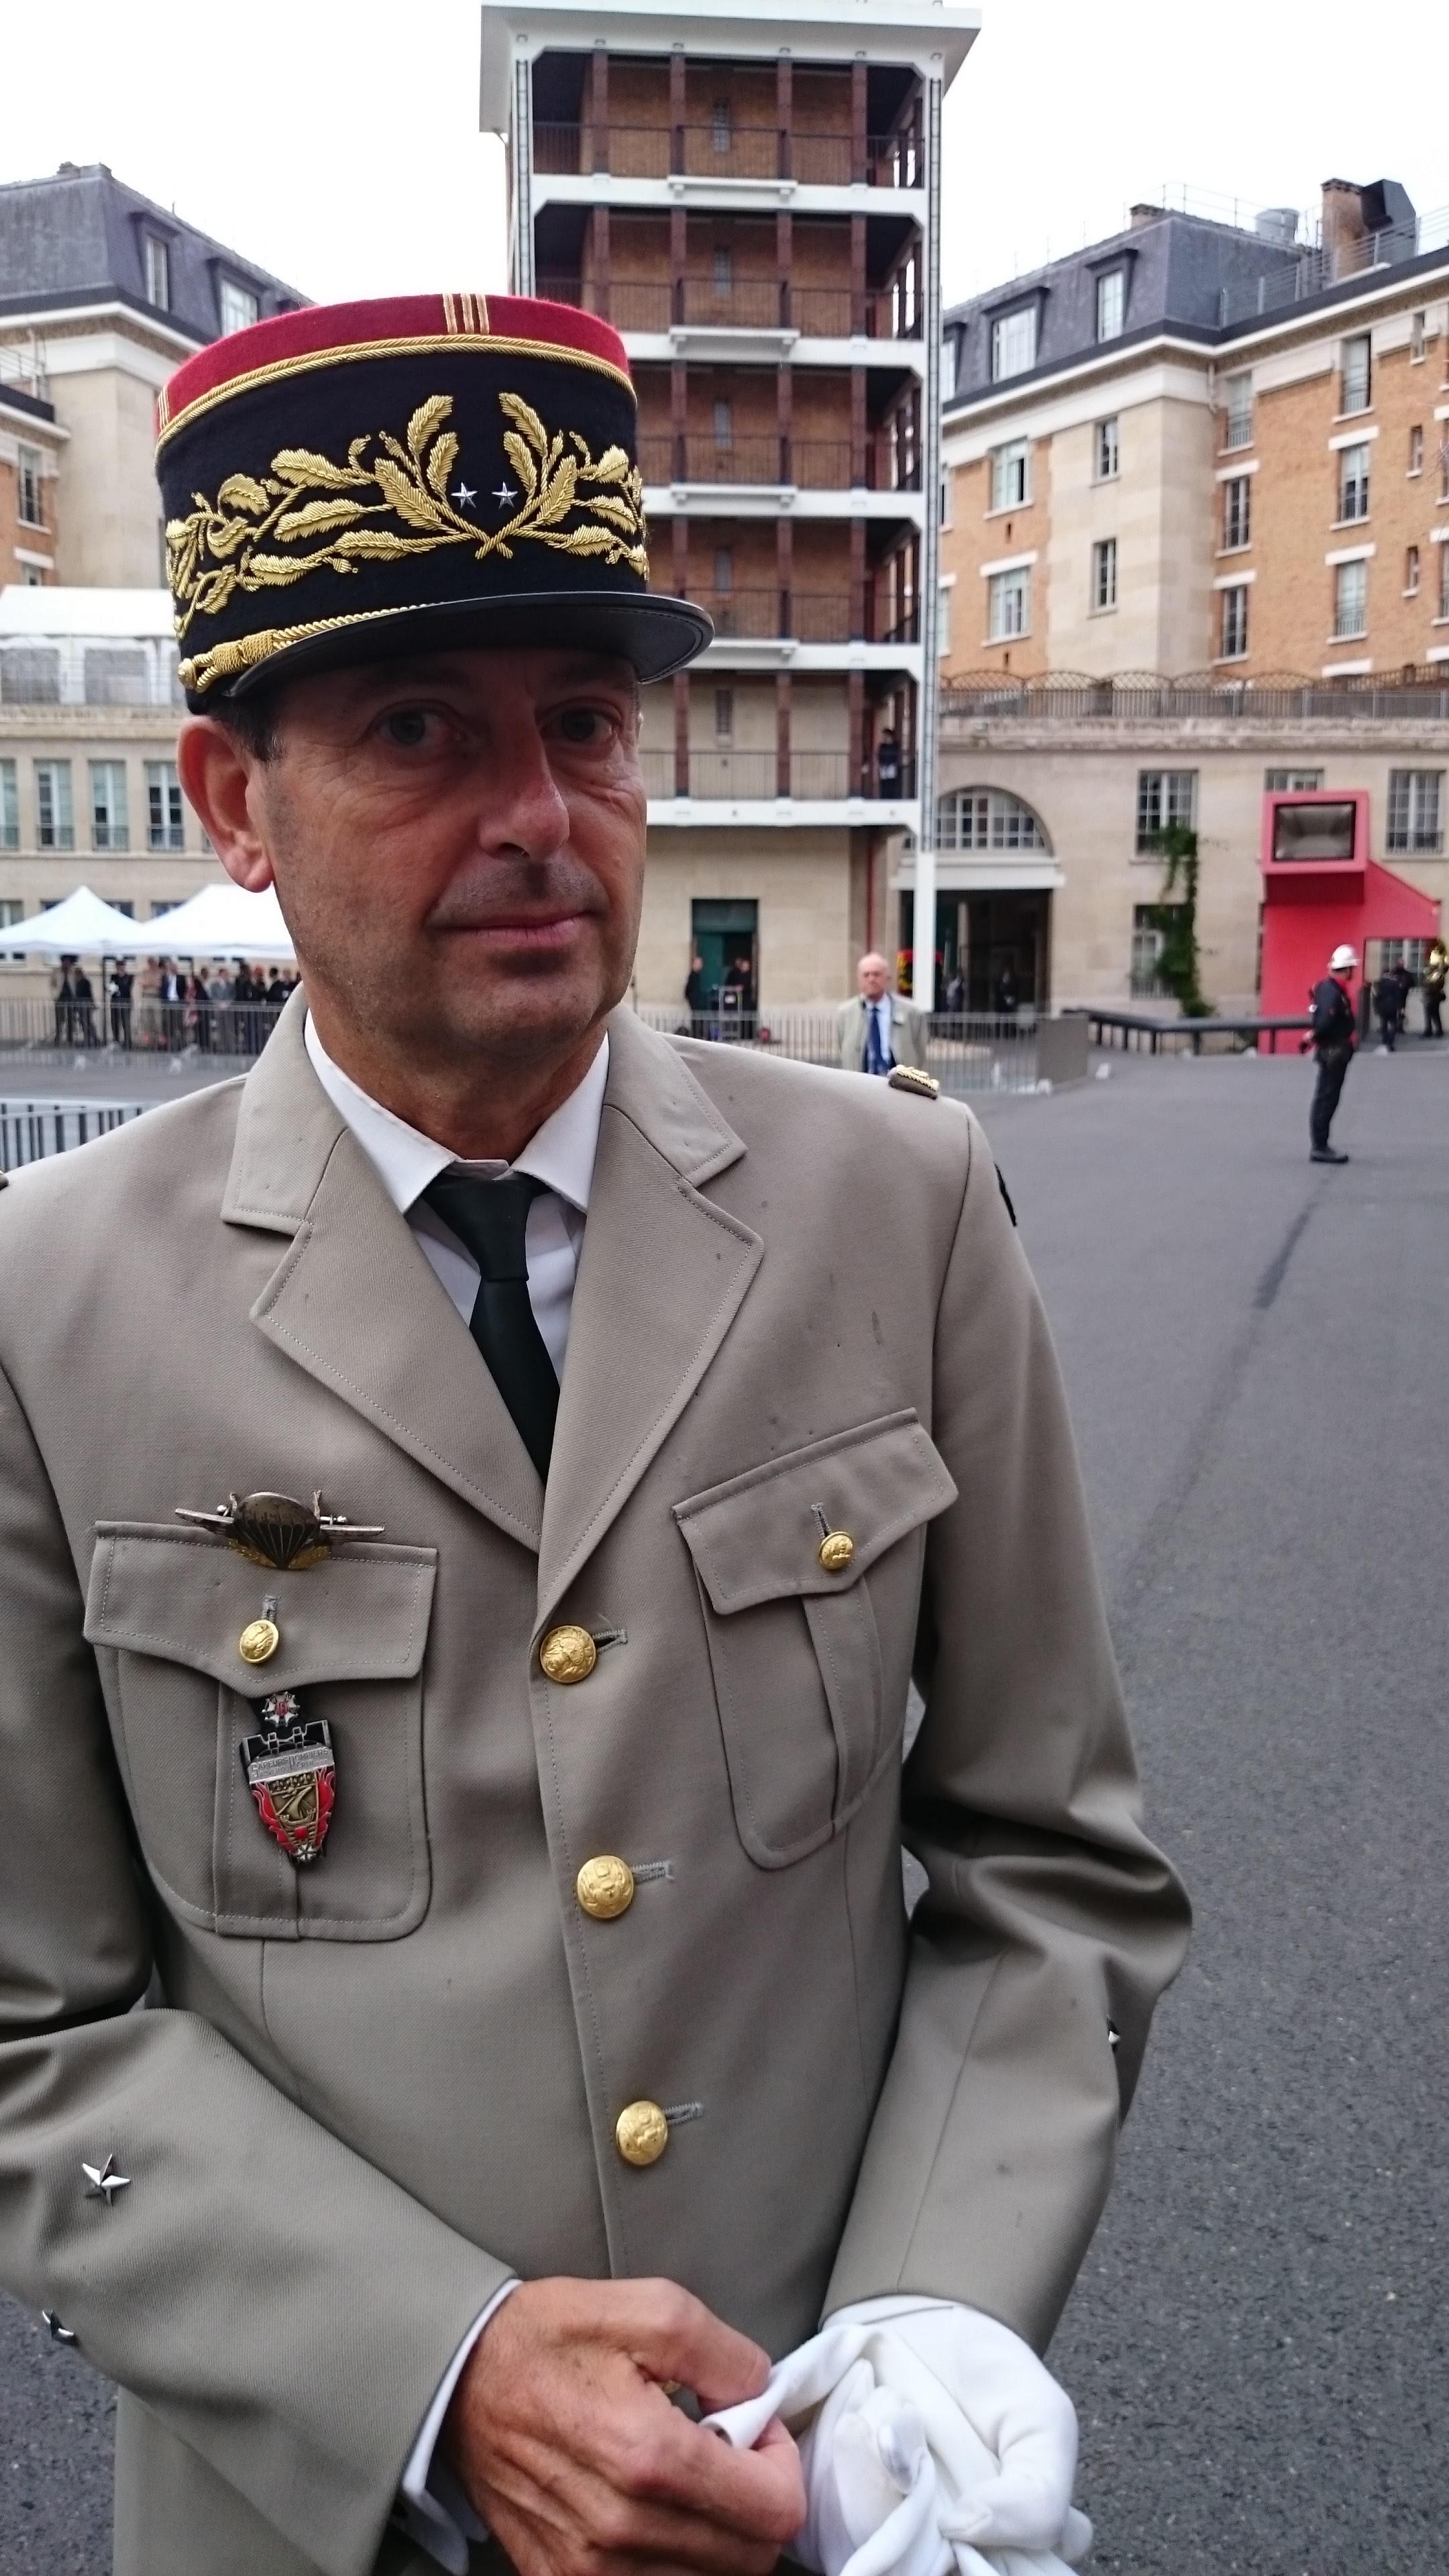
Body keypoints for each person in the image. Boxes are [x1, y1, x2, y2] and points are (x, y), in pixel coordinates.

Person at [0, 294, 1187, 2576]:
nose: (540, 817)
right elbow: (30, 2030)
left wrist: (921, 2329)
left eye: (585, 723)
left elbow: (1052, 1867)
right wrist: (436, 2372)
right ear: (233, 804)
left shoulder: (900, 1206)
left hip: (809, 2492)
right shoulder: (46, 1307)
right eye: (419, 730)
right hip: (319, 2518)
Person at [838, 949, 928, 1074]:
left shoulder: (912, 1013)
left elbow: (920, 1052)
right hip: (860, 1080)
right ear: (859, 979)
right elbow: (842, 1048)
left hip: (897, 1079)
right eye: (866, 975)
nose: (871, 979)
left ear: (887, 977)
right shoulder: (845, 1013)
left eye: (876, 974)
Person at [1309, 941, 1360, 1163]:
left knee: (1328, 1096)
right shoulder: (1333, 991)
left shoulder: (1331, 989)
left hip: (1334, 1050)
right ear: (1347, 969)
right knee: (1327, 1097)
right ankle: (1320, 1146)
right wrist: (1316, 1034)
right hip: (1333, 1051)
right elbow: (1324, 1021)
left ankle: (1321, 1143)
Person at [1421, 936, 1446, 1039]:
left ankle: (1431, 1031)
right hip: (1433, 994)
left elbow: (1435, 984)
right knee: (1434, 1013)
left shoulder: (1436, 972)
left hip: (1433, 994)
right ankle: (1436, 1031)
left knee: (1431, 1013)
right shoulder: (1434, 971)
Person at [1373, 962, 1399, 1053]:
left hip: (1382, 1006)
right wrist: (1400, 1007)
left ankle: (1385, 1040)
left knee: (1384, 1025)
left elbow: (1376, 997)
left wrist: (1376, 1008)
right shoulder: (1394, 983)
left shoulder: (1378, 984)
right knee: (1394, 1025)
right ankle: (1390, 1042)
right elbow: (1397, 996)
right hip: (1392, 1006)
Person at [108, 963, 133, 1050]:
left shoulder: (129, 977)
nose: (120, 968)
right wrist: (115, 987)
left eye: (121, 966)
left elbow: (126, 988)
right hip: (115, 1002)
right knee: (114, 1022)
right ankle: (116, 1040)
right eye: (118, 966)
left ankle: (128, 1042)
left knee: (126, 1022)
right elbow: (111, 988)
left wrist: (117, 986)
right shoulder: (114, 976)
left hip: (125, 1002)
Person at [683, 949, 708, 1034]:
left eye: (701, 964)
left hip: (697, 1001)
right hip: (695, 1002)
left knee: (697, 1019)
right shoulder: (693, 976)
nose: (700, 966)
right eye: (698, 964)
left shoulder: (697, 976)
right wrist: (692, 999)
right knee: (696, 1018)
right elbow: (689, 989)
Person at [874, 727, 901, 798]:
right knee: (884, 784)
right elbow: (879, 755)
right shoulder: (882, 746)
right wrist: (882, 764)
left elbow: (896, 756)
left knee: (891, 783)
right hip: (884, 766)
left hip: (892, 766)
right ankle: (884, 797)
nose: (884, 737)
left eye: (885, 735)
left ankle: (891, 797)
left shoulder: (895, 745)